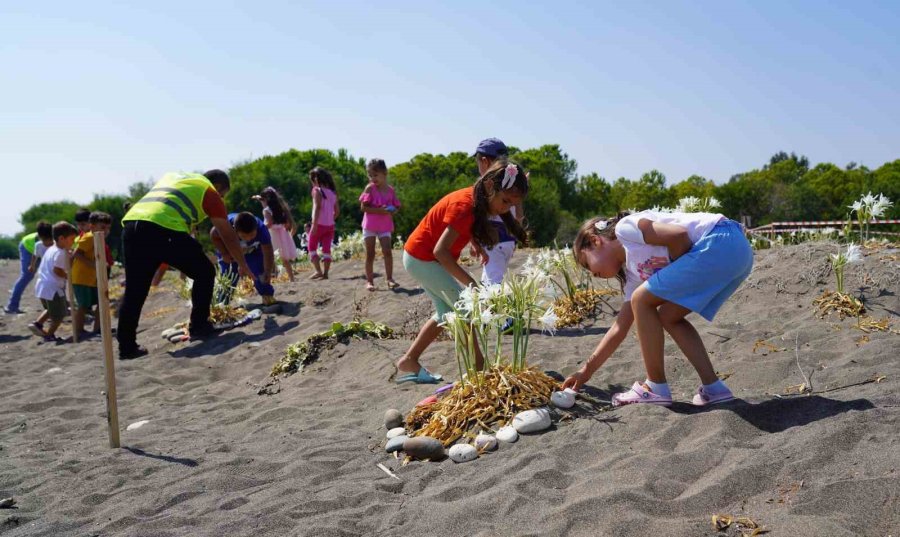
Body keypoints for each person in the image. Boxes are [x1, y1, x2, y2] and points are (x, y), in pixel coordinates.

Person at [561, 210, 754, 406]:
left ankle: (655, 387)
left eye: (587, 264)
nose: (592, 274)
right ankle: (714, 388)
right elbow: (619, 329)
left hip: (721, 240)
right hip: (738, 255)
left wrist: (675, 276)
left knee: (641, 300)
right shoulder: (634, 275)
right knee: (668, 316)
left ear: (595, 241)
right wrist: (586, 371)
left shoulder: (626, 229)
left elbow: (678, 236)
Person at [395, 161, 529, 384]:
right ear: (489, 186)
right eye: (505, 201)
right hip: (422, 259)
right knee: (465, 308)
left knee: (445, 314)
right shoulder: (464, 205)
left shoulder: (478, 201)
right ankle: (479, 368)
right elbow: (441, 251)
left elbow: (463, 228)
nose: (506, 209)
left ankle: (409, 359)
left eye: (512, 205)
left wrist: (475, 242)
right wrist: (471, 283)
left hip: (421, 257)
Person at [117, 170, 252, 360]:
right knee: (205, 272)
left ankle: (127, 347)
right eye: (223, 195)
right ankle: (199, 326)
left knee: (134, 291)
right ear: (219, 187)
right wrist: (242, 263)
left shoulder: (176, 178)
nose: (221, 200)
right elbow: (226, 231)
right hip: (162, 228)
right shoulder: (209, 191)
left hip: (132, 226)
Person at [472, 138, 525, 286]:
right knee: (489, 279)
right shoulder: (512, 182)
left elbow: (476, 216)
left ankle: (493, 308)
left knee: (492, 285)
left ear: (484, 161)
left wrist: (474, 241)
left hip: (494, 242)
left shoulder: (487, 186)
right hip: (508, 241)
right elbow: (519, 217)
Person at [211, 212, 275, 305]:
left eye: (252, 235)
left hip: (252, 250)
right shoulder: (226, 226)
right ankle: (221, 304)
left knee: (260, 273)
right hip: (230, 251)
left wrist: (268, 271)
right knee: (229, 277)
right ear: (235, 230)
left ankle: (267, 296)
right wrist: (224, 253)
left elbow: (268, 250)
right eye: (244, 236)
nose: (248, 238)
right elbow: (213, 234)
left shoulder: (262, 229)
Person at [29, 222, 78, 343]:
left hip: (42, 285)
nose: (73, 242)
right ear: (62, 238)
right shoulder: (60, 253)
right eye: (72, 239)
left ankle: (38, 323)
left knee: (52, 309)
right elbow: (57, 270)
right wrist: (67, 276)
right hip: (53, 287)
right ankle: (49, 335)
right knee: (60, 314)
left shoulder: (52, 249)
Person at [359, 158, 401, 291]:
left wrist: (393, 210)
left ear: (385, 173)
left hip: (385, 225)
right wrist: (380, 210)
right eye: (370, 175)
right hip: (370, 225)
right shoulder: (369, 188)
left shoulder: (390, 190)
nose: (373, 178)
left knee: (387, 251)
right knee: (370, 254)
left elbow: (397, 207)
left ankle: (389, 279)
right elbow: (363, 208)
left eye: (375, 175)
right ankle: (370, 281)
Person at [70, 211, 114, 339]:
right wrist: (93, 264)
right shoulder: (89, 237)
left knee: (102, 302)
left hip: (92, 279)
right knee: (83, 306)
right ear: (92, 226)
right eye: (102, 227)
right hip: (81, 278)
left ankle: (98, 329)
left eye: (108, 228)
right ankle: (78, 331)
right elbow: (76, 253)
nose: (106, 231)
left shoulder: (98, 238)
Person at [5, 221, 53, 314]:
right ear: (40, 237)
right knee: (27, 276)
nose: (48, 241)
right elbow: (35, 255)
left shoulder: (54, 236)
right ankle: (12, 306)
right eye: (45, 239)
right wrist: (32, 265)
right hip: (27, 248)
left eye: (50, 239)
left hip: (39, 251)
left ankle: (58, 306)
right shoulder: (36, 243)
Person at [308, 167, 339, 280]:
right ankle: (326, 274)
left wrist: (314, 224)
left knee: (311, 247)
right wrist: (330, 218)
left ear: (316, 180)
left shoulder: (317, 191)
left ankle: (318, 271)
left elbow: (317, 207)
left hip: (318, 224)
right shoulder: (332, 192)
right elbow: (337, 211)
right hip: (330, 225)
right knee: (326, 249)